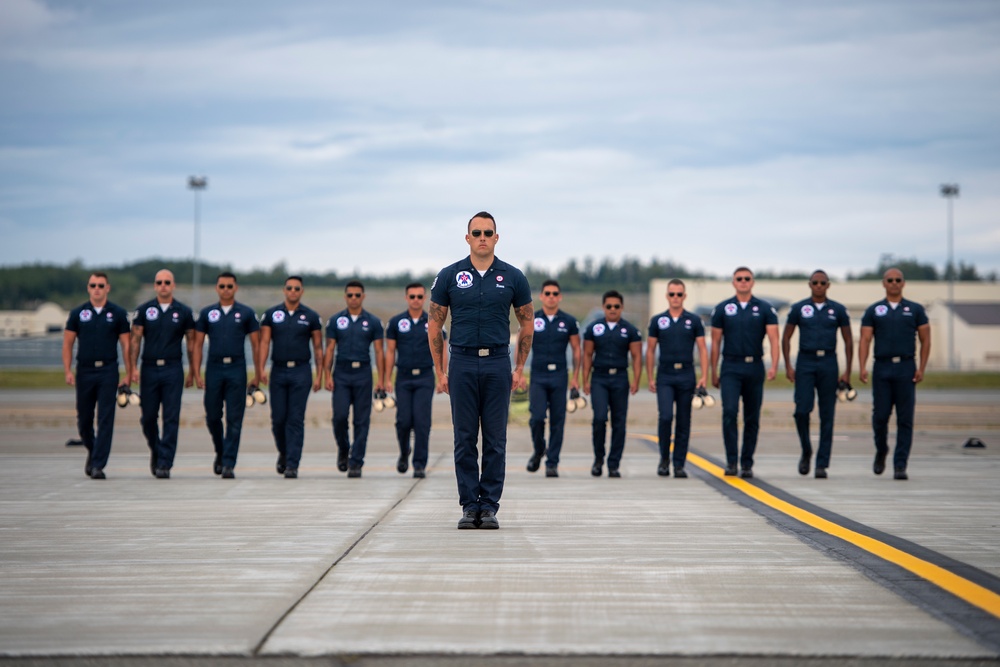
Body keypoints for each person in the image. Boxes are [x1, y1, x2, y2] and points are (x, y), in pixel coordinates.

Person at [429, 211, 532, 530]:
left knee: (495, 438)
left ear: (497, 238)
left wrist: (519, 367)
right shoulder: (450, 275)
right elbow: (435, 323)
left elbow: (527, 323)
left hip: (497, 362)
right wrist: (440, 370)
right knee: (464, 437)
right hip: (460, 362)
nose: (483, 237)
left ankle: (488, 506)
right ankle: (468, 505)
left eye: (488, 232)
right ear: (468, 237)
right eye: (477, 232)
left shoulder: (513, 277)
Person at [858, 267, 931, 480]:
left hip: (906, 367)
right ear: (884, 283)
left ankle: (900, 464)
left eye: (898, 279)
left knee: (905, 419)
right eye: (890, 280)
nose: (894, 283)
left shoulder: (915, 310)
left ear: (903, 283)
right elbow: (865, 339)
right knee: (880, 416)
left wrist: (922, 368)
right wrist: (862, 366)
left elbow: (926, 339)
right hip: (882, 367)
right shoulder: (874, 310)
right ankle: (881, 450)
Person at [781, 270, 853, 479]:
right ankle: (806, 450)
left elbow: (848, 340)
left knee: (827, 414)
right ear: (810, 284)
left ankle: (822, 463)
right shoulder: (800, 308)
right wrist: (788, 365)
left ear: (828, 285)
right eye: (815, 282)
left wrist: (848, 370)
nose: (819, 286)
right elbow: (786, 337)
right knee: (802, 410)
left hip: (829, 362)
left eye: (823, 283)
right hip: (805, 362)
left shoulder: (837, 310)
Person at [190, 272, 262, 479]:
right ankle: (220, 451)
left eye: (230, 286)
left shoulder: (246, 313)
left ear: (235, 288)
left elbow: (256, 345)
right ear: (217, 288)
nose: (226, 290)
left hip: (236, 368)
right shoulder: (207, 313)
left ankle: (229, 462)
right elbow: (197, 344)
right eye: (222, 286)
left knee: (234, 418)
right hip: (214, 368)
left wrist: (258, 373)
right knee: (213, 416)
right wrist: (196, 371)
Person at [710, 267, 779, 479]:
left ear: (753, 282)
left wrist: (774, 365)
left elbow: (774, 339)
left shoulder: (765, 308)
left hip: (754, 366)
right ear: (733, 282)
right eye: (739, 279)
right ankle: (731, 461)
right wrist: (713, 370)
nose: (743, 282)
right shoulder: (723, 308)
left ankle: (747, 462)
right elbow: (715, 342)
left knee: (752, 416)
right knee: (730, 412)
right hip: (730, 366)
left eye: (747, 279)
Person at [62, 272, 132, 479]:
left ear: (108, 288)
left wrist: (129, 372)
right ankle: (93, 451)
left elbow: (126, 344)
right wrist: (67, 370)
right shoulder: (78, 313)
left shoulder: (117, 313)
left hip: (107, 370)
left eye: (101, 285)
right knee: (84, 419)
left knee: (105, 419)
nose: (97, 289)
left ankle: (98, 465)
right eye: (93, 285)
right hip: (84, 370)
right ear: (88, 288)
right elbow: (68, 343)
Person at [129, 269, 196, 479]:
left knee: (171, 417)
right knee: (148, 417)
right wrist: (132, 368)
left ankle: (165, 463)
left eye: (167, 282)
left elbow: (192, 343)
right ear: (155, 285)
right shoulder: (144, 311)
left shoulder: (183, 312)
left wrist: (193, 371)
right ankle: (156, 450)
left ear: (173, 285)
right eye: (159, 282)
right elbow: (135, 341)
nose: (163, 285)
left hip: (172, 368)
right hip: (149, 368)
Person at [258, 275, 323, 479]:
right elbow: (265, 342)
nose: (293, 291)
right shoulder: (272, 314)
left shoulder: (310, 316)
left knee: (295, 419)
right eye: (289, 288)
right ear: (284, 290)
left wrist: (320, 374)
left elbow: (318, 347)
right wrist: (260, 368)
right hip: (278, 370)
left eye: (297, 288)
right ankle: (284, 453)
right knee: (278, 419)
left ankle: (293, 464)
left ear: (302, 291)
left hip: (301, 371)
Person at [645, 279, 708, 479]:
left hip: (686, 374)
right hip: (665, 374)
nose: (675, 298)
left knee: (683, 420)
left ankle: (679, 463)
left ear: (684, 296)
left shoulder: (694, 321)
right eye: (672, 294)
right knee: (665, 417)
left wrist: (704, 376)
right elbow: (650, 350)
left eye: (679, 294)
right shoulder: (658, 321)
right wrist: (650, 376)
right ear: (666, 296)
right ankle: (664, 459)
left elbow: (702, 349)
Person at [323, 280, 385, 478]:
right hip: (341, 373)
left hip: (363, 373)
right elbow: (330, 349)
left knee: (361, 420)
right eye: (350, 295)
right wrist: (326, 375)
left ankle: (356, 461)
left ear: (363, 297)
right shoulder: (335, 320)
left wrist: (381, 379)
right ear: (345, 297)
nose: (354, 298)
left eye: (357, 295)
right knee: (339, 417)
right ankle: (343, 448)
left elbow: (379, 351)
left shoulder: (373, 322)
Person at [384, 282, 443, 478]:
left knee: (422, 422)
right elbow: (390, 352)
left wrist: (441, 374)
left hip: (425, 377)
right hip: (404, 377)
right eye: (412, 296)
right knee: (403, 421)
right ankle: (403, 452)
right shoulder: (396, 322)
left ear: (424, 298)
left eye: (419, 296)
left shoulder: (433, 322)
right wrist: (386, 378)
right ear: (406, 298)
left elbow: (441, 349)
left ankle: (419, 464)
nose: (416, 300)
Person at [581, 290, 642, 478]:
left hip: (620, 378)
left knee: (619, 422)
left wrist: (636, 380)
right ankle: (598, 459)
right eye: (609, 306)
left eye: (616, 306)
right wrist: (586, 380)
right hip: (599, 378)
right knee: (599, 419)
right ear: (603, 307)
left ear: (622, 308)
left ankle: (614, 463)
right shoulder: (594, 328)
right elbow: (588, 355)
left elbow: (637, 356)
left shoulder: (630, 330)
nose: (613, 309)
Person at [523, 279, 580, 478]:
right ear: (541, 296)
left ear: (560, 296)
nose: (551, 297)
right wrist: (519, 371)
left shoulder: (569, 321)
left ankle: (552, 462)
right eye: (547, 293)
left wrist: (576, 378)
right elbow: (523, 344)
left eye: (555, 293)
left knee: (558, 421)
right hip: (538, 375)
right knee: (537, 418)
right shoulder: (532, 319)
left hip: (559, 375)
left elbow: (576, 350)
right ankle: (539, 449)